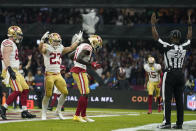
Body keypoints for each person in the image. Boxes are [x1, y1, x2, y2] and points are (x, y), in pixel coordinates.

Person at [151, 10, 192, 129]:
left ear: (171, 37)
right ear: (179, 38)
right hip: (180, 74)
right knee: (179, 100)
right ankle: (179, 123)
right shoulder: (184, 47)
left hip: (169, 74)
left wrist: (153, 25)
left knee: (167, 99)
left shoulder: (168, 47)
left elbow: (156, 37)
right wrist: (189, 25)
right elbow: (189, 37)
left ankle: (167, 122)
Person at [39, 31, 82, 120]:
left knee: (65, 92)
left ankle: (58, 111)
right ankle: (44, 113)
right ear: (50, 41)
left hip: (58, 74)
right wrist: (42, 40)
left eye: (58, 41)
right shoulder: (46, 47)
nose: (57, 43)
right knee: (48, 95)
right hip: (49, 75)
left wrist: (78, 41)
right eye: (55, 41)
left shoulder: (60, 47)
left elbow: (70, 48)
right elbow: (40, 49)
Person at [0, 26, 36, 120]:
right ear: (13, 34)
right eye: (18, 35)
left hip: (15, 70)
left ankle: (24, 111)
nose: (20, 37)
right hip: (9, 70)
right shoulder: (7, 42)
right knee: (17, 90)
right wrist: (9, 69)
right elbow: (5, 57)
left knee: (25, 88)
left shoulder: (12, 43)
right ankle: (3, 108)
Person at [70, 34, 102, 122]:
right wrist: (91, 64)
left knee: (86, 93)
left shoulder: (82, 45)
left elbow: (71, 56)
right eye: (97, 44)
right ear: (94, 42)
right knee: (84, 93)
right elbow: (78, 59)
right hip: (78, 71)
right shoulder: (88, 47)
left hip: (80, 70)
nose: (97, 47)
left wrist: (84, 68)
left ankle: (83, 115)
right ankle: (77, 115)